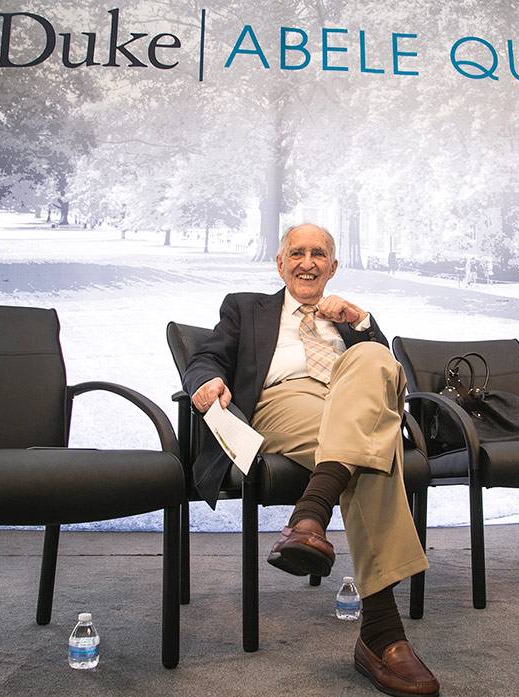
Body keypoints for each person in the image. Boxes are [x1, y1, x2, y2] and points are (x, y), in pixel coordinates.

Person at [183, 223, 439, 697]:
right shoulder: (245, 308)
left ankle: (310, 515)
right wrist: (204, 381)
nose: (307, 262)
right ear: (280, 264)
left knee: (374, 360)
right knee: (374, 449)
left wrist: (361, 323)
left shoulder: (348, 318)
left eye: (318, 253)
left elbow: (387, 380)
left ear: (333, 267)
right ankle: (382, 633)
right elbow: (207, 356)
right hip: (284, 402)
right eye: (296, 253)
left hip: (350, 403)